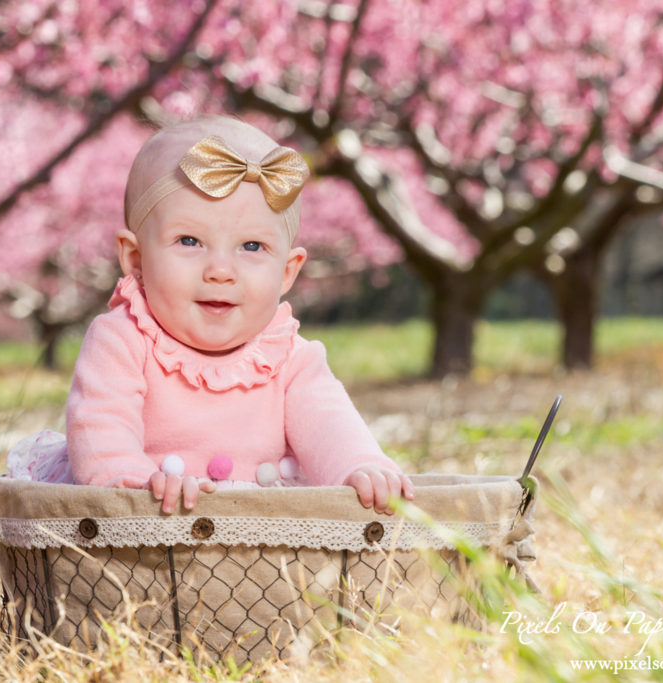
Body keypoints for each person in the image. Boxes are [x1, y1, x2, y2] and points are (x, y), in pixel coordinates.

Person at [57, 115, 413, 515]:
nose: (221, 271)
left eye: (252, 247)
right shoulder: (123, 339)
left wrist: (359, 466)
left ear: (287, 271)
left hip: (260, 545)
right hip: (150, 539)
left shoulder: (289, 358)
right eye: (189, 241)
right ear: (136, 259)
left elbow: (328, 423)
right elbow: (101, 427)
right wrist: (129, 481)